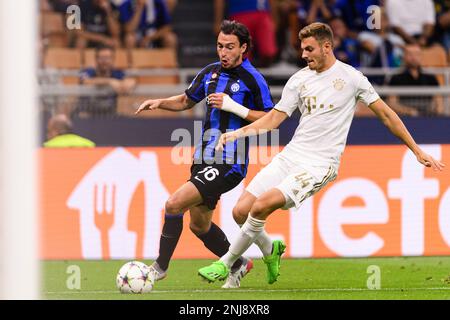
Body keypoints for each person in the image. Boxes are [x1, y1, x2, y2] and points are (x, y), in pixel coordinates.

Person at [198, 22, 445, 284]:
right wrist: (237, 133)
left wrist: (416, 149)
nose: (303, 55)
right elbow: (273, 120)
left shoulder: (352, 78)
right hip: (291, 155)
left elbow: (386, 115)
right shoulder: (299, 80)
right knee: (240, 211)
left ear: (327, 47)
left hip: (319, 164)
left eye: (309, 49)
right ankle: (271, 250)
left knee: (260, 207)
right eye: (302, 49)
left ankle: (226, 264)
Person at [135, 20, 276, 289]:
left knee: (174, 204)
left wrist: (234, 106)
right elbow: (187, 99)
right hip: (204, 158)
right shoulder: (210, 73)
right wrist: (160, 103)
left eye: (230, 47)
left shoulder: (253, 79)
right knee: (199, 226)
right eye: (220, 46)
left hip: (230, 161)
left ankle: (160, 267)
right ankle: (238, 264)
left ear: (243, 48)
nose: (223, 52)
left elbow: (271, 119)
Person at [76, 45, 136, 118]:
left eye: (107, 58)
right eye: (101, 58)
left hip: (110, 115)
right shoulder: (88, 71)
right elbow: (85, 81)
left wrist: (126, 84)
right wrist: (110, 81)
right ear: (96, 59)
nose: (104, 61)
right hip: (87, 114)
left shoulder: (117, 73)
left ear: (113, 59)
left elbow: (130, 81)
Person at [214, 0, 278, 67]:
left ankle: (260, 73)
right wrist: (218, 21)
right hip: (239, 13)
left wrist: (275, 18)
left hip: (262, 13)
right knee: (241, 54)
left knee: (268, 52)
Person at [387, 44, 444, 117]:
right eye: (410, 54)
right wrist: (409, 111)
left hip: (428, 118)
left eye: (417, 54)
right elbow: (392, 103)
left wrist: (436, 111)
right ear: (404, 57)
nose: (414, 58)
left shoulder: (431, 78)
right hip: (403, 119)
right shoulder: (395, 78)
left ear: (421, 57)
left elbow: (439, 102)